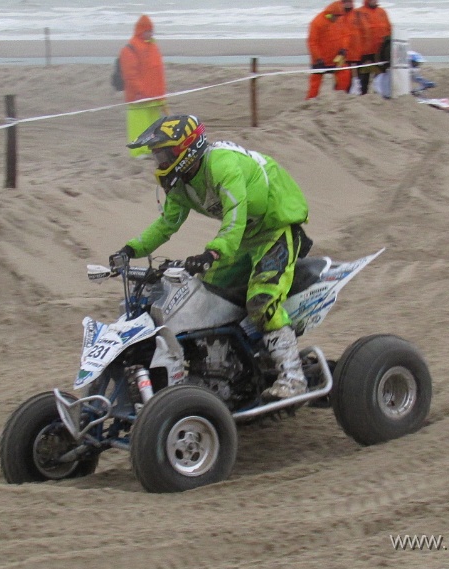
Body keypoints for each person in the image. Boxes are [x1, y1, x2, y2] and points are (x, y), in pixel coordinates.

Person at [113, 115, 313, 400]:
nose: (159, 160)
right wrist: (130, 250)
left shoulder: (221, 165)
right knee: (206, 297)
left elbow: (235, 216)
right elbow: (166, 225)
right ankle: (225, 367)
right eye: (157, 155)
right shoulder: (181, 184)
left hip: (275, 229)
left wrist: (212, 252)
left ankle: (293, 377)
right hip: (243, 239)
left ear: (186, 149)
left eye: (164, 153)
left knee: (262, 299)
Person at [119, 15, 168, 157]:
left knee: (154, 125)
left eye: (151, 31)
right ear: (140, 31)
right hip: (138, 98)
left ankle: (152, 149)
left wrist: (161, 95)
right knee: (138, 125)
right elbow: (130, 74)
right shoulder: (131, 48)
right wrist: (140, 91)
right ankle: (138, 151)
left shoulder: (153, 46)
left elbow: (158, 72)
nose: (150, 33)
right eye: (147, 30)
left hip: (154, 97)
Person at [306, 1, 351, 99]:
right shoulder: (317, 22)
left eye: (339, 16)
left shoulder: (340, 19)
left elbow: (346, 35)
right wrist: (318, 58)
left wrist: (344, 48)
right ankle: (310, 101)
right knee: (315, 83)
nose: (337, 18)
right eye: (336, 16)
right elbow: (312, 42)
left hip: (336, 57)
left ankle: (339, 97)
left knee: (345, 76)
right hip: (320, 59)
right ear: (330, 14)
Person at [357, 0, 392, 95]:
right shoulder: (359, 13)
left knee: (381, 77)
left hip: (380, 52)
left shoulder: (382, 12)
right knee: (364, 78)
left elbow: (389, 30)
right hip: (365, 53)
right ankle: (362, 96)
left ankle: (379, 97)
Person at [340, 0, 371, 94]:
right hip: (343, 52)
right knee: (343, 76)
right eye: (345, 2)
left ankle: (362, 93)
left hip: (358, 50)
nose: (348, 3)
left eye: (349, 1)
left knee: (363, 75)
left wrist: (366, 48)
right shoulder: (338, 14)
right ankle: (344, 93)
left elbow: (366, 31)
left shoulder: (357, 14)